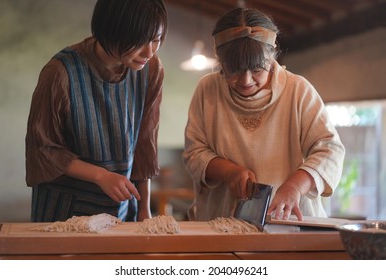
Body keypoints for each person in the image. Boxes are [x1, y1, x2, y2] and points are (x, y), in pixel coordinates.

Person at [182, 7, 345, 222]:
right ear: (220, 61)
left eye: (257, 70)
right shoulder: (207, 89)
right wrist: (229, 172)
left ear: (272, 54)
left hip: (290, 224)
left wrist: (295, 186)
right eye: (235, 70)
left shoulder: (298, 91)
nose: (246, 80)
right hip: (222, 223)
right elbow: (194, 153)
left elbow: (330, 151)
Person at [25, 0, 168, 222]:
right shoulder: (60, 72)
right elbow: (43, 149)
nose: (149, 51)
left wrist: (144, 209)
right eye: (139, 41)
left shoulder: (151, 70)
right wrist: (100, 175)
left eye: (156, 39)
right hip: (63, 211)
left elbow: (145, 143)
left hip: (119, 211)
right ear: (110, 29)